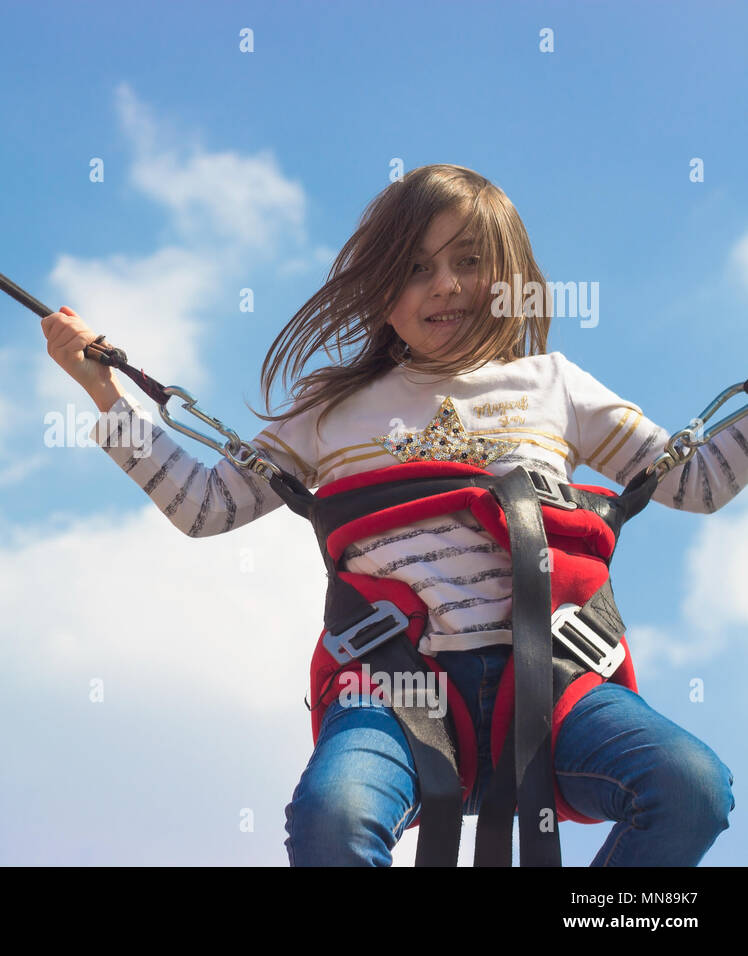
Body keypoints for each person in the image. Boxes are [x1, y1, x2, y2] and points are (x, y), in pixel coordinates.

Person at [39, 163, 738, 866]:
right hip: (396, 686)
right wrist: (107, 395)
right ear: (379, 292)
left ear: (510, 273)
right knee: (332, 816)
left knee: (690, 787)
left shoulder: (556, 387)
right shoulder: (330, 412)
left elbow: (697, 482)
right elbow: (207, 505)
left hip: (551, 681)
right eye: (413, 268)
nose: (444, 285)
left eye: (468, 262)